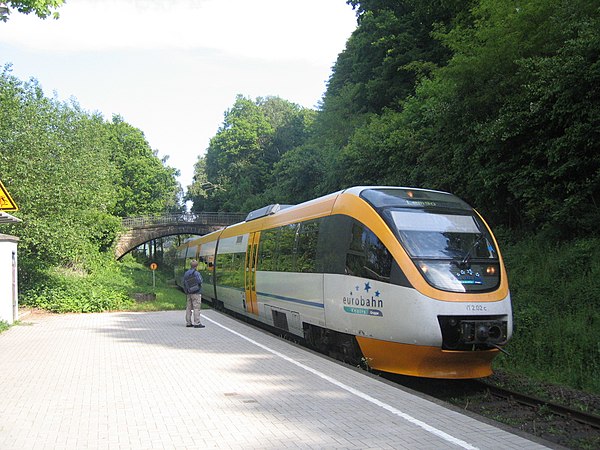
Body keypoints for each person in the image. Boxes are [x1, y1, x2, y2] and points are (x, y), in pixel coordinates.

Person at [182, 260, 205, 328]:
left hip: (189, 293)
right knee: (196, 308)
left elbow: (183, 282)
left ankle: (188, 323)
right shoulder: (197, 273)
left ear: (190, 265)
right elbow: (200, 281)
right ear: (196, 266)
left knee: (188, 308)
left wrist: (186, 290)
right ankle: (197, 323)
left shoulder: (186, 273)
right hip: (196, 293)